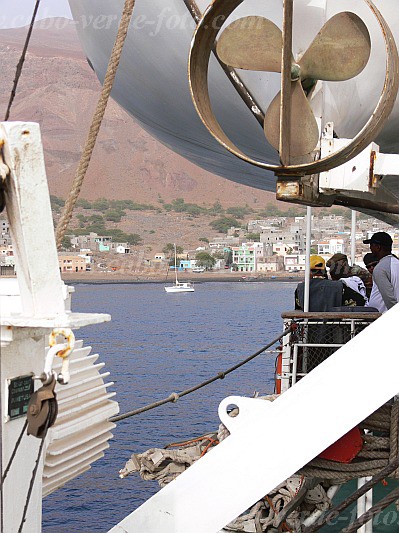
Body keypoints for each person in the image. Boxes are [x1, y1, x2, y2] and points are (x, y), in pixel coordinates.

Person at [295, 255, 366, 311]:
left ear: (308, 271)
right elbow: (360, 301)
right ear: (324, 270)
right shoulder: (339, 286)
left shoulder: (300, 288)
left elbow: (298, 308)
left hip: (309, 327)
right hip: (334, 326)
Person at [364, 232, 399, 312]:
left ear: (378, 247)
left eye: (371, 245)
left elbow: (389, 297)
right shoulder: (396, 263)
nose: (370, 248)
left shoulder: (380, 268)